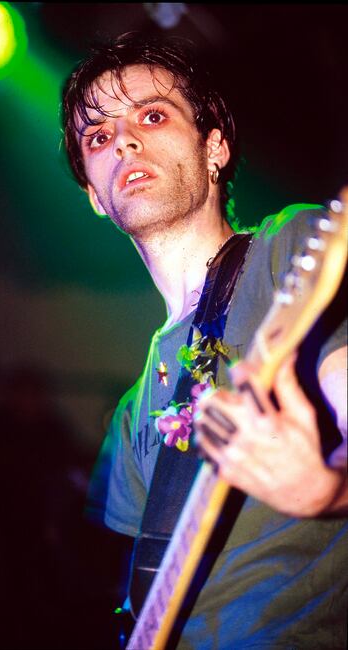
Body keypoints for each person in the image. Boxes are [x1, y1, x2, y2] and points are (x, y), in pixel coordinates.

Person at [62, 32, 347, 649]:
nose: (125, 140)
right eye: (98, 136)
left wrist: (330, 489)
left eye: (153, 115)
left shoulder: (287, 254)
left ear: (214, 147)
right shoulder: (130, 409)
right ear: (93, 197)